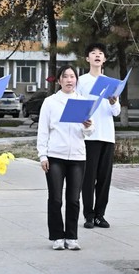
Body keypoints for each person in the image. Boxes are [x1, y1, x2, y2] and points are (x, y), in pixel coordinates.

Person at [37, 65, 94, 251]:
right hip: (55, 156)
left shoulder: (83, 102)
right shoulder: (50, 102)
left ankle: (71, 236)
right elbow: (43, 131)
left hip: (77, 156)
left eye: (72, 76)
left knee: (74, 199)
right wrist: (42, 155)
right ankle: (57, 236)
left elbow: (90, 132)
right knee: (55, 198)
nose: (69, 80)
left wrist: (87, 125)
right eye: (65, 76)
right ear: (59, 80)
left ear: (76, 80)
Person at [76, 42, 120, 229]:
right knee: (88, 177)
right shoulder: (81, 81)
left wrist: (113, 102)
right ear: (87, 58)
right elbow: (77, 106)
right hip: (89, 136)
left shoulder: (111, 82)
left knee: (104, 178)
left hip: (107, 135)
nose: (97, 55)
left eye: (100, 53)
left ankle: (100, 215)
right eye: (93, 53)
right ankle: (89, 215)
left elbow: (116, 112)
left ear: (104, 59)